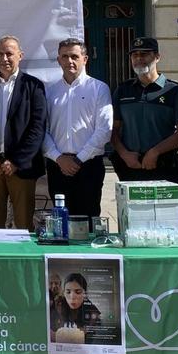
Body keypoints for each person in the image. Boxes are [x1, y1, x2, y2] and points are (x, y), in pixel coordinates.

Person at [0, 36, 47, 230]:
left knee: (23, 225)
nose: (5, 58)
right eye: (0, 54)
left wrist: (16, 161)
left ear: (20, 56)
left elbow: (37, 128)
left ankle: (24, 260)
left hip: (22, 168)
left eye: (9, 53)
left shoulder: (34, 86)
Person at [43, 39, 112, 221]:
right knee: (61, 223)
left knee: (88, 221)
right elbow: (42, 130)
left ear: (85, 59)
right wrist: (59, 158)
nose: (69, 61)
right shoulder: (50, 92)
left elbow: (105, 129)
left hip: (89, 166)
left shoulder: (99, 88)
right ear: (58, 60)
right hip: (58, 166)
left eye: (75, 56)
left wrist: (78, 160)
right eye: (64, 57)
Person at [110, 37, 178, 185]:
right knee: (131, 209)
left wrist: (155, 152)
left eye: (145, 54)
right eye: (135, 55)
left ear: (157, 57)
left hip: (165, 165)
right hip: (130, 165)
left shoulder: (174, 90)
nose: (139, 58)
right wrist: (124, 154)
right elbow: (113, 129)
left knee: (166, 209)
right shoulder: (122, 90)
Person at [50, 272, 102, 342]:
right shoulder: (58, 304)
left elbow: (88, 335)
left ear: (84, 293)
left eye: (78, 292)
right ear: (64, 292)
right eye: (68, 292)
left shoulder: (92, 311)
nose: (72, 297)